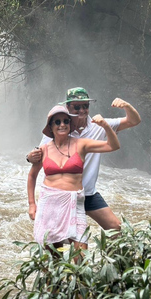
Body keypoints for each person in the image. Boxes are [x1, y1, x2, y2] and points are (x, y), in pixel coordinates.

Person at [27, 87, 141, 232]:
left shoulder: (98, 125)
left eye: (85, 106)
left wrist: (126, 106)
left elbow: (133, 121)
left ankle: (106, 255)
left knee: (116, 228)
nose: (82, 110)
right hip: (61, 196)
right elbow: (39, 156)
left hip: (88, 194)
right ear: (67, 107)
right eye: (76, 107)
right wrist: (29, 157)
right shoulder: (58, 128)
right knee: (56, 240)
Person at [27, 105, 120, 251]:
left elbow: (112, 146)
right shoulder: (43, 149)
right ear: (51, 127)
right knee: (52, 255)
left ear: (70, 124)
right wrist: (32, 204)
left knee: (81, 254)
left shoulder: (81, 144)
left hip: (74, 202)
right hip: (50, 204)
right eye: (57, 122)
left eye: (66, 121)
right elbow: (32, 175)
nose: (62, 125)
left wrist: (105, 126)